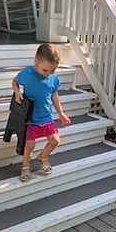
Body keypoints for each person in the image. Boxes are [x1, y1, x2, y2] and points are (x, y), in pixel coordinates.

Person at [12, 43, 71, 182]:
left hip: (46, 117)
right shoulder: (27, 74)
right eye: (46, 70)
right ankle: (25, 166)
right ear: (36, 61)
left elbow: (54, 95)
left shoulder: (52, 77)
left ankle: (43, 157)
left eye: (52, 71)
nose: (48, 74)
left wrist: (61, 113)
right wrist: (16, 92)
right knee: (30, 145)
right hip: (30, 118)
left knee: (55, 140)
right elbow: (15, 81)